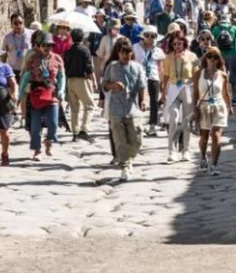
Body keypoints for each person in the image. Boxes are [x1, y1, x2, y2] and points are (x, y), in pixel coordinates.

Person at [102, 40, 148, 181]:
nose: (126, 55)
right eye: (123, 53)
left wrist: (144, 100)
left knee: (137, 139)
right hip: (116, 107)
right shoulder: (112, 66)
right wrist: (113, 85)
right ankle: (125, 165)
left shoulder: (137, 67)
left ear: (131, 53)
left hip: (132, 107)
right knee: (120, 139)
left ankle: (130, 158)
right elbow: (104, 85)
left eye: (128, 53)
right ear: (119, 53)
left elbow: (142, 86)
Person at [18, 32, 66, 161]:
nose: (47, 48)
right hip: (36, 94)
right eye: (44, 45)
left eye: (50, 45)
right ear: (38, 46)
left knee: (53, 123)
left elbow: (61, 77)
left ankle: (48, 140)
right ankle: (37, 150)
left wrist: (61, 90)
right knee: (35, 126)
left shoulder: (57, 59)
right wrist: (20, 94)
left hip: (52, 94)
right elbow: (26, 76)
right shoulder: (32, 59)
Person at [192, 47, 233, 175]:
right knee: (204, 136)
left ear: (219, 60)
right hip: (204, 107)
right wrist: (195, 108)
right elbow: (195, 93)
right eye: (210, 56)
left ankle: (214, 165)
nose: (213, 60)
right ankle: (203, 157)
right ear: (206, 58)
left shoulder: (223, 75)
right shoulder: (198, 74)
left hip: (219, 106)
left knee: (216, 136)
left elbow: (226, 93)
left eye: (216, 57)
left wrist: (229, 106)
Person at [161, 35, 199, 162]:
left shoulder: (192, 56)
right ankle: (171, 150)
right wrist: (163, 93)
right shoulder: (168, 57)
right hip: (173, 88)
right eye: (175, 44)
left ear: (184, 44)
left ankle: (186, 150)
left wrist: (197, 93)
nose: (177, 46)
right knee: (174, 118)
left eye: (180, 44)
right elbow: (165, 75)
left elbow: (196, 74)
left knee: (186, 121)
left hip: (187, 88)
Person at [64, 28, 97, 143]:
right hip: (82, 80)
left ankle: (75, 132)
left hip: (70, 80)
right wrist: (94, 80)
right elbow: (89, 67)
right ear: (83, 38)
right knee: (89, 105)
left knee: (74, 107)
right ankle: (84, 129)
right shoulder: (85, 50)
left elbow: (65, 66)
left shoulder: (67, 51)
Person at [133, 26, 166, 137]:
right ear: (143, 36)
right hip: (139, 76)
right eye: (147, 35)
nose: (150, 38)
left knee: (154, 102)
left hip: (153, 77)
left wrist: (162, 82)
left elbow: (161, 67)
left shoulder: (158, 50)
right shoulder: (136, 47)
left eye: (153, 36)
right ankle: (138, 125)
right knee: (139, 101)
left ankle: (152, 126)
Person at [211, 14, 236, 105]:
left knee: (219, 77)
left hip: (220, 57)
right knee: (233, 78)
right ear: (229, 20)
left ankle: (220, 98)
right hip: (232, 55)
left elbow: (213, 42)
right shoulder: (234, 28)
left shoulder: (216, 29)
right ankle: (234, 99)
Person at [2, 13, 33, 79]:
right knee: (14, 89)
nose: (18, 25)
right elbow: (4, 55)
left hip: (28, 69)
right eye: (15, 23)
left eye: (20, 22)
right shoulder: (7, 37)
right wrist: (3, 69)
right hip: (13, 70)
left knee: (26, 89)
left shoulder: (31, 34)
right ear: (11, 24)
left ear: (23, 22)